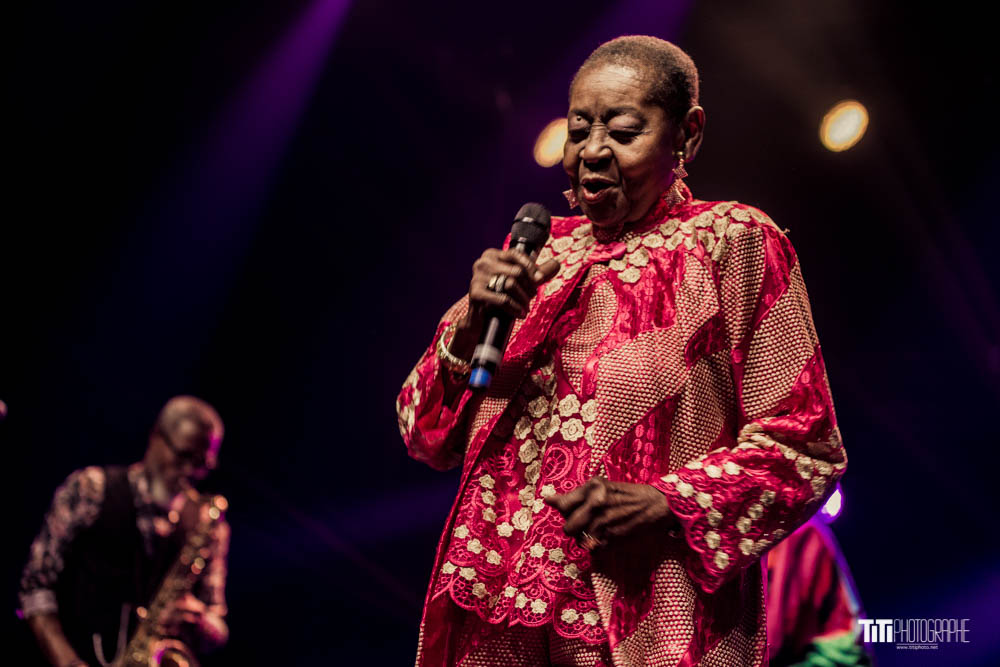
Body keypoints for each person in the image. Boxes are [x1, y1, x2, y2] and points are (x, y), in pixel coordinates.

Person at [396, 35, 847, 666]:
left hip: (644, 619)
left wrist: (670, 501)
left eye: (624, 129)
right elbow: (423, 432)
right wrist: (473, 321)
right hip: (492, 614)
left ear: (686, 136)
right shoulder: (538, 252)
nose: (592, 151)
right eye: (579, 130)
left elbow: (805, 446)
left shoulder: (732, 242)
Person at [19, 396, 230, 667]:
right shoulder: (90, 488)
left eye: (202, 463)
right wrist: (67, 662)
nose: (190, 470)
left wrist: (199, 619)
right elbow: (35, 587)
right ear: (156, 436)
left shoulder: (208, 523)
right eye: (183, 455)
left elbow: (218, 624)